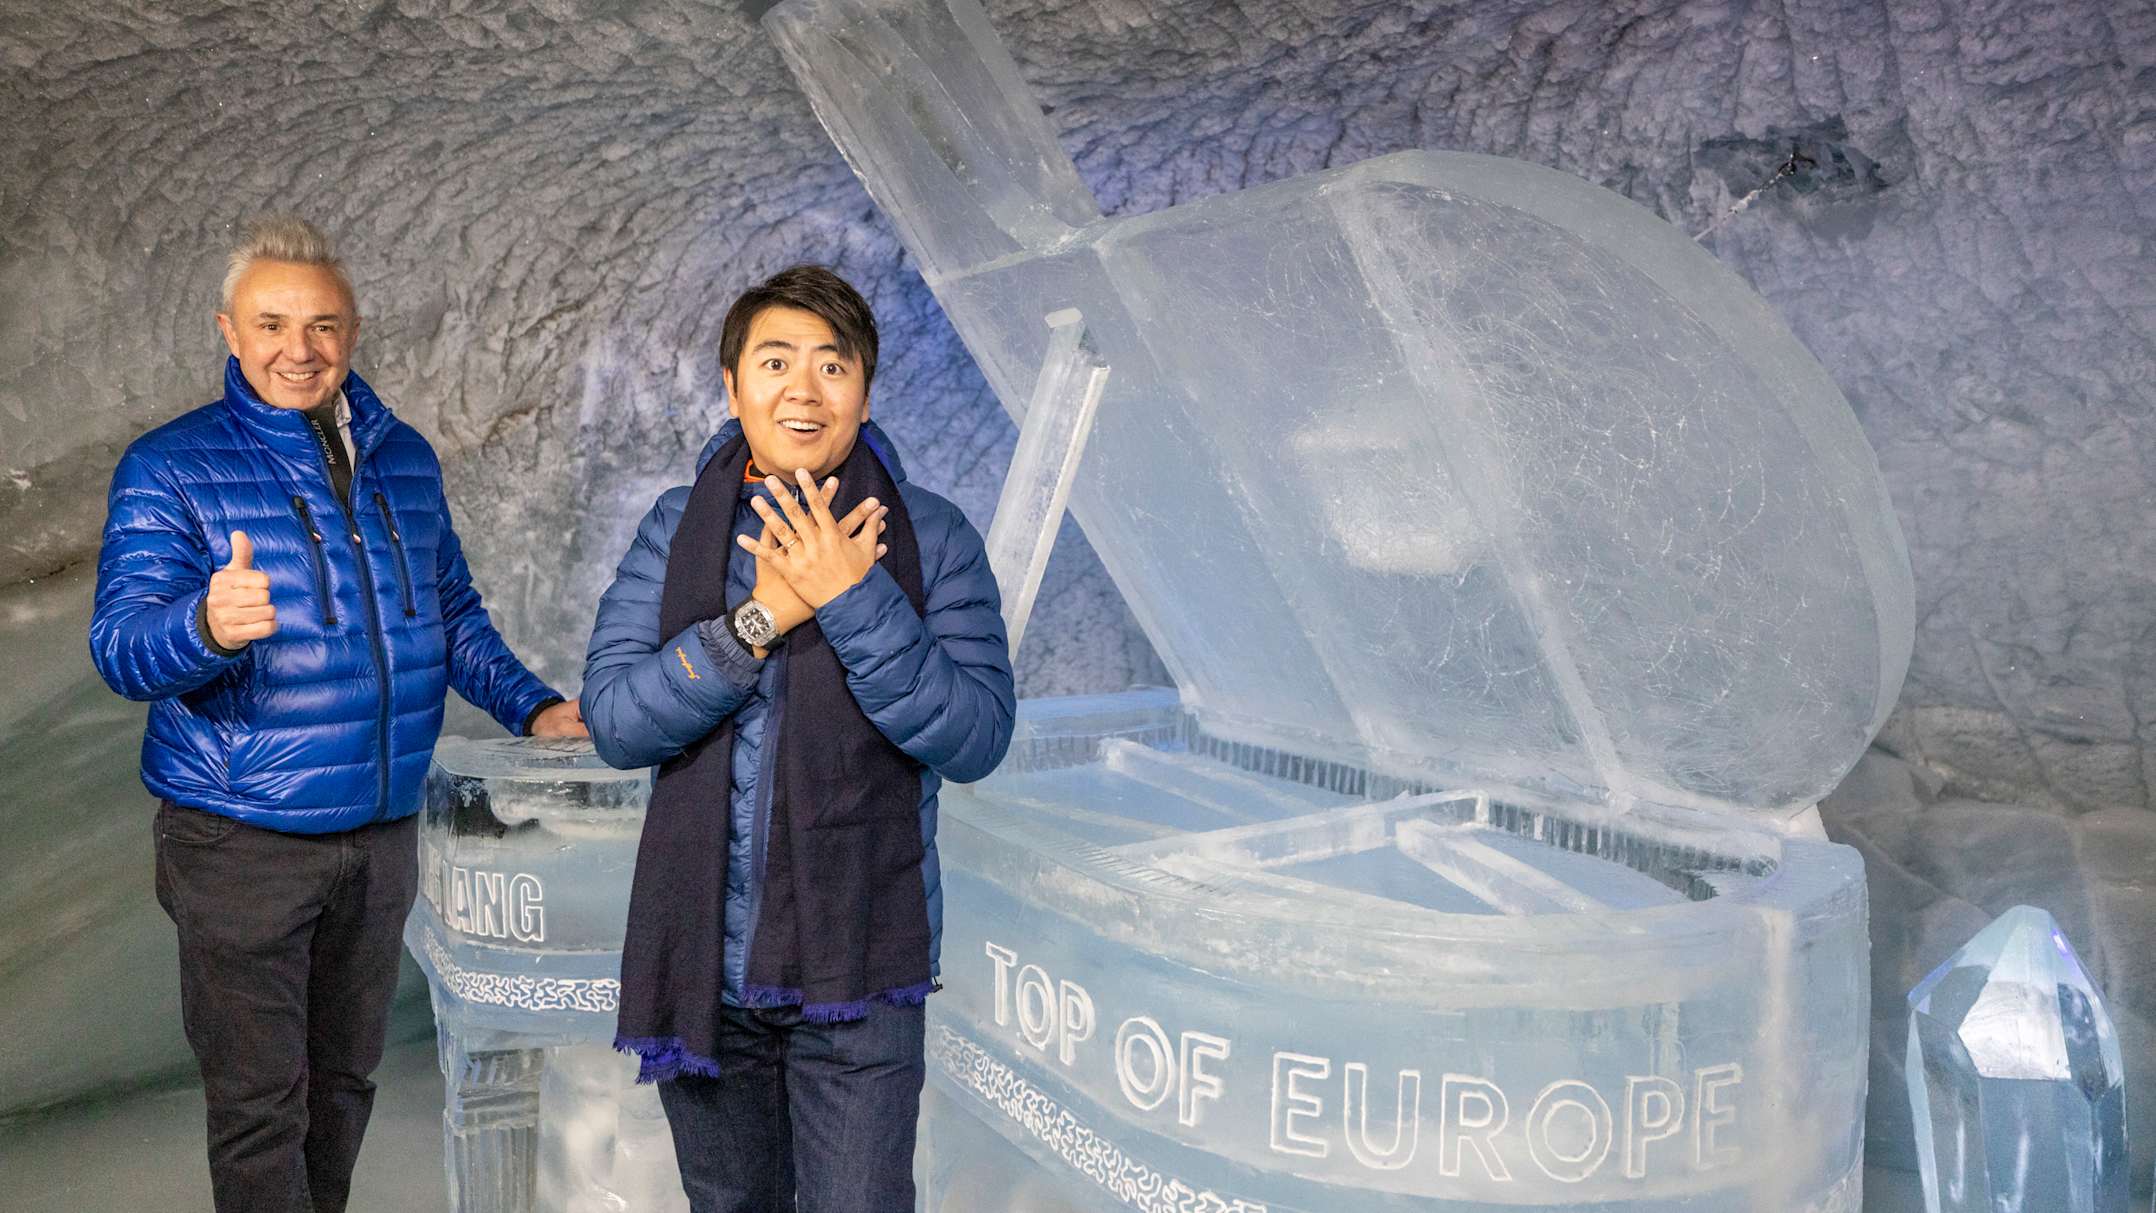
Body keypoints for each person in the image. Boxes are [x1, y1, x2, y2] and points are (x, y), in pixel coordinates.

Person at [87, 214, 587, 1213]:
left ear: (352, 333)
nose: (297, 349)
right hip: (238, 841)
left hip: (379, 834)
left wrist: (534, 709)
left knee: (344, 1086)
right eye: (272, 323)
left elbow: (452, 617)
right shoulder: (170, 466)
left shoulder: (404, 461)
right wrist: (205, 625)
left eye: (322, 325)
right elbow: (120, 647)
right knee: (260, 1104)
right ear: (229, 330)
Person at [582, 264, 1015, 1212]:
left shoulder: (931, 538)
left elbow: (978, 735)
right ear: (734, 387)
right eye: (775, 362)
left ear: (864, 390)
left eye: (833, 365)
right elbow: (615, 719)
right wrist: (761, 618)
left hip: (859, 971)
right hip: (707, 965)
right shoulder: (675, 529)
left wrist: (856, 600)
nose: (803, 390)